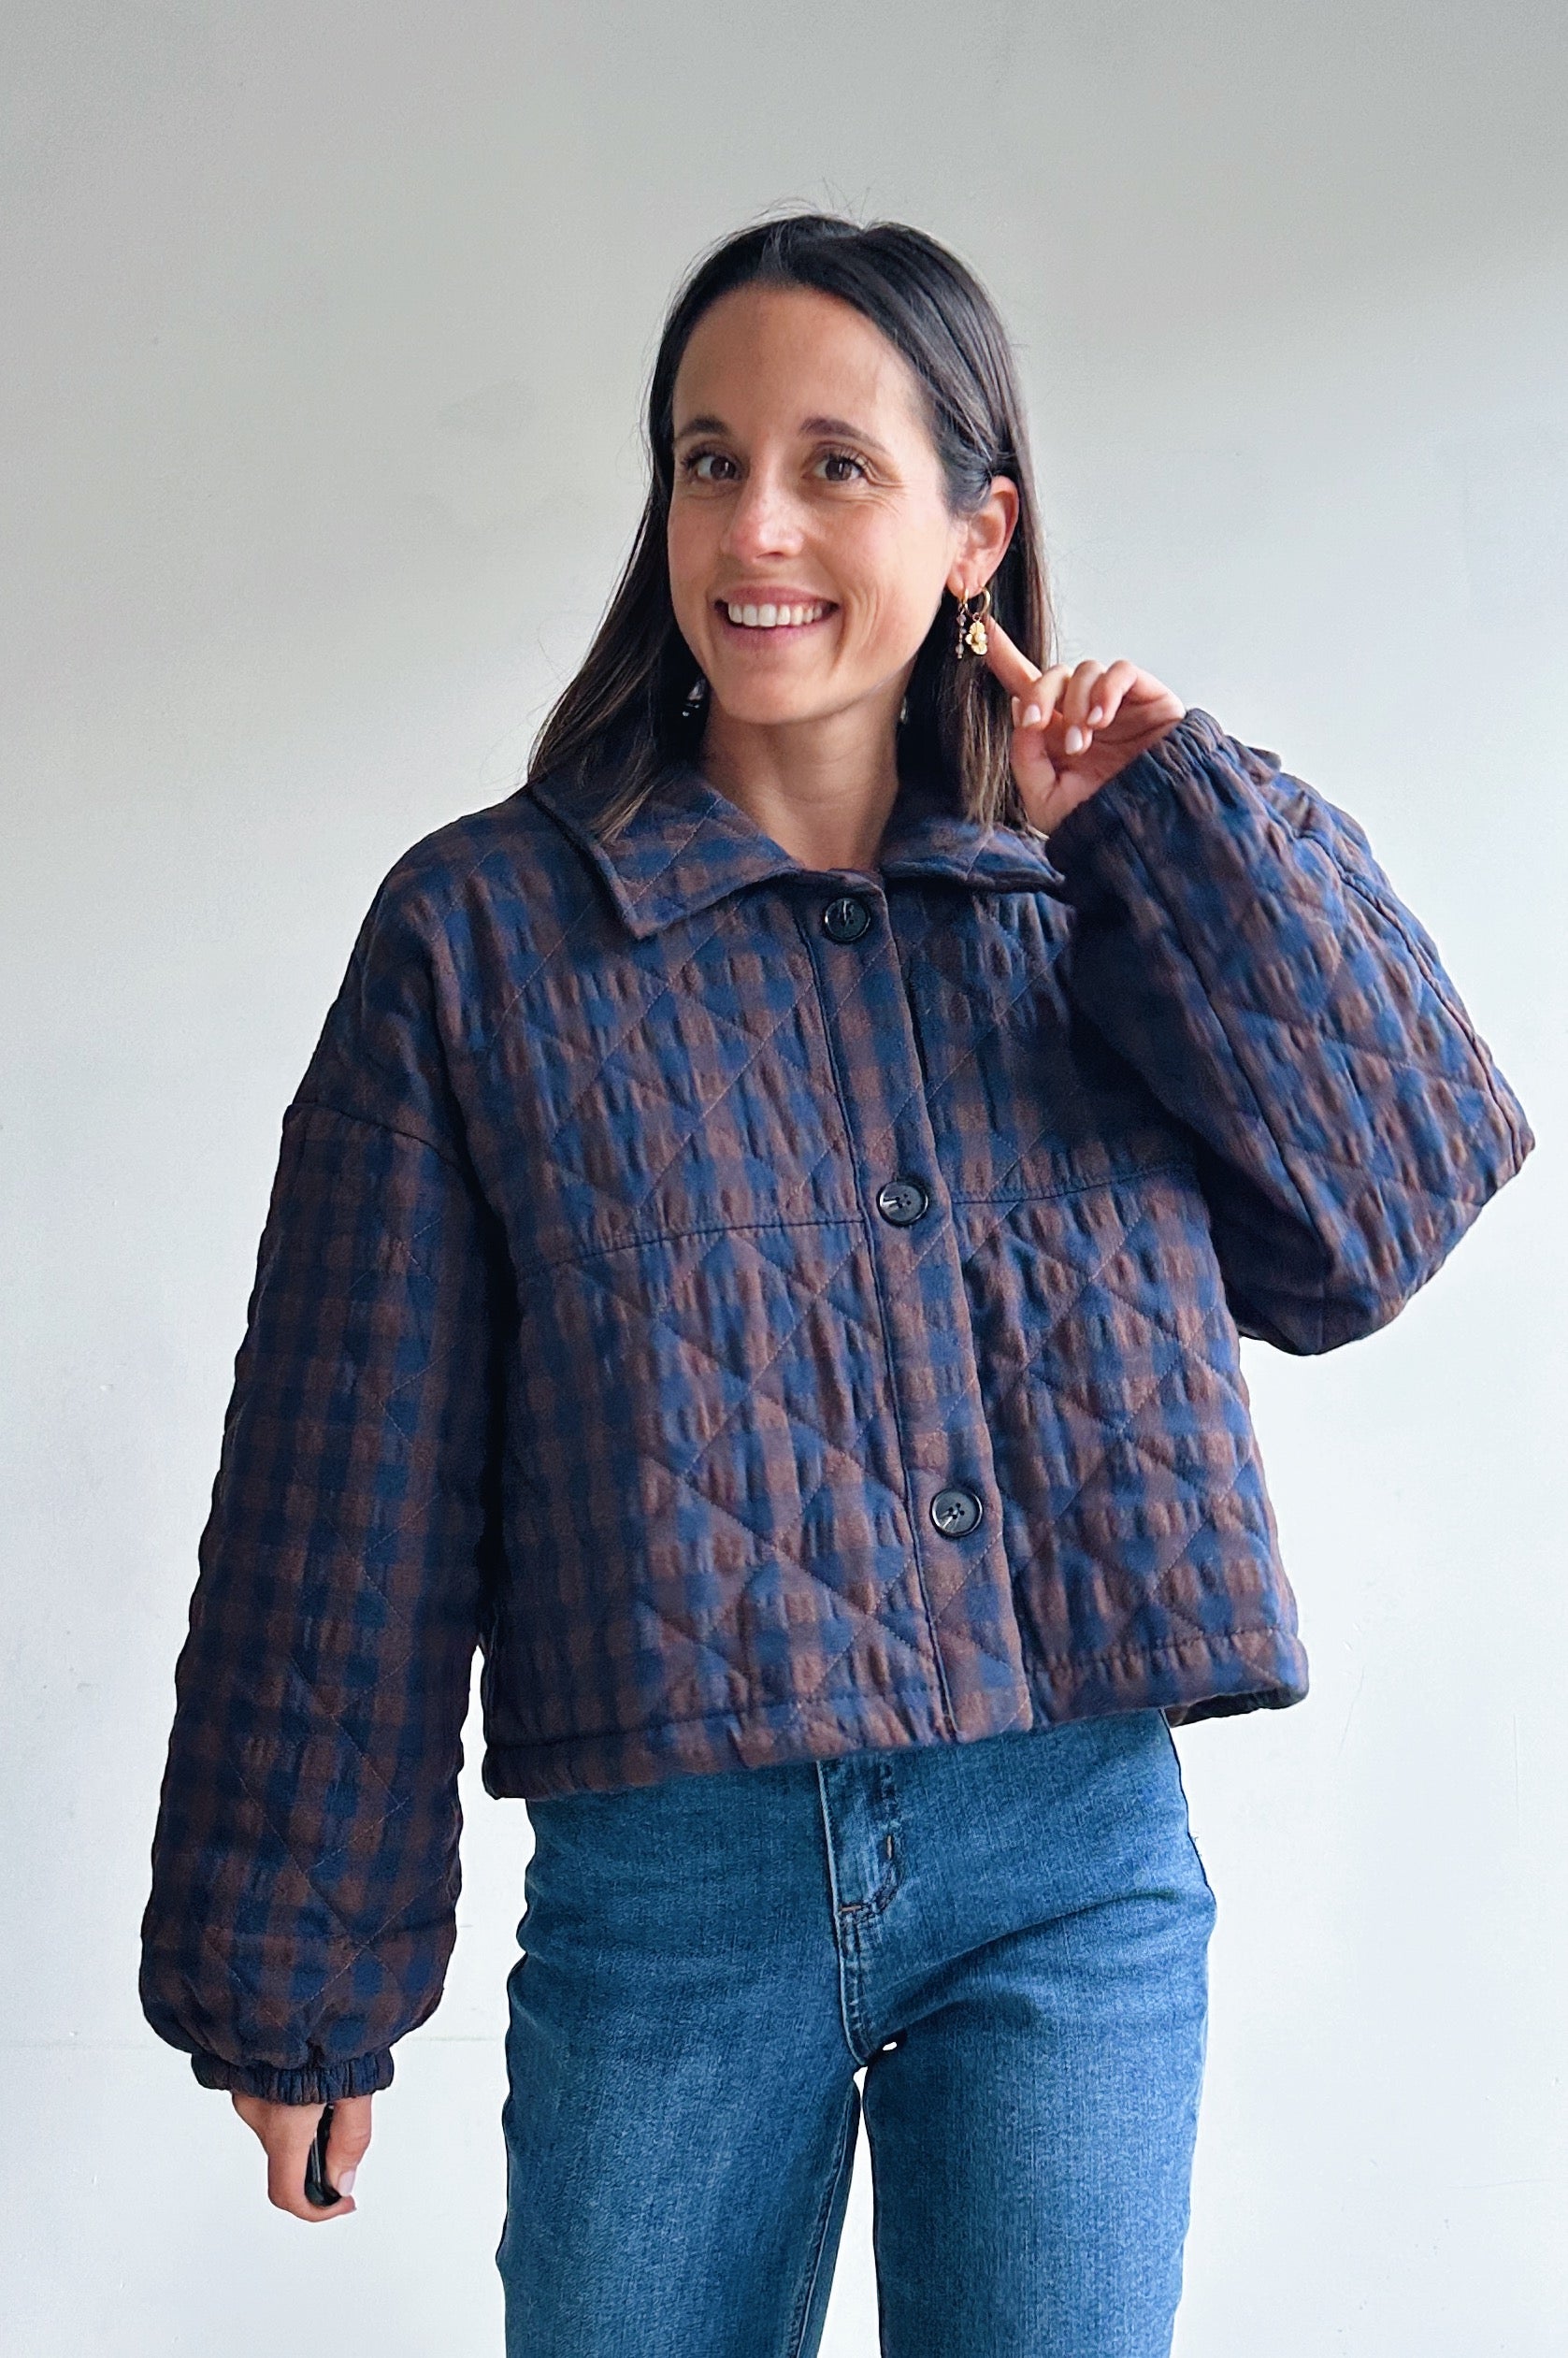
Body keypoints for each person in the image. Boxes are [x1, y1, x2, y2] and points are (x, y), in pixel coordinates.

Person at [138, 211, 1532, 2357]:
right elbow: (347, 1479)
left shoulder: (1093, 897)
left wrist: (1168, 829)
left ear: (978, 532)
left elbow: (1379, 1219)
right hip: (671, 1896)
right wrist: (295, 1964)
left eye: (833, 466)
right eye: (707, 461)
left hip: (1065, 1866)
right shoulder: (485, 936)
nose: (753, 528)